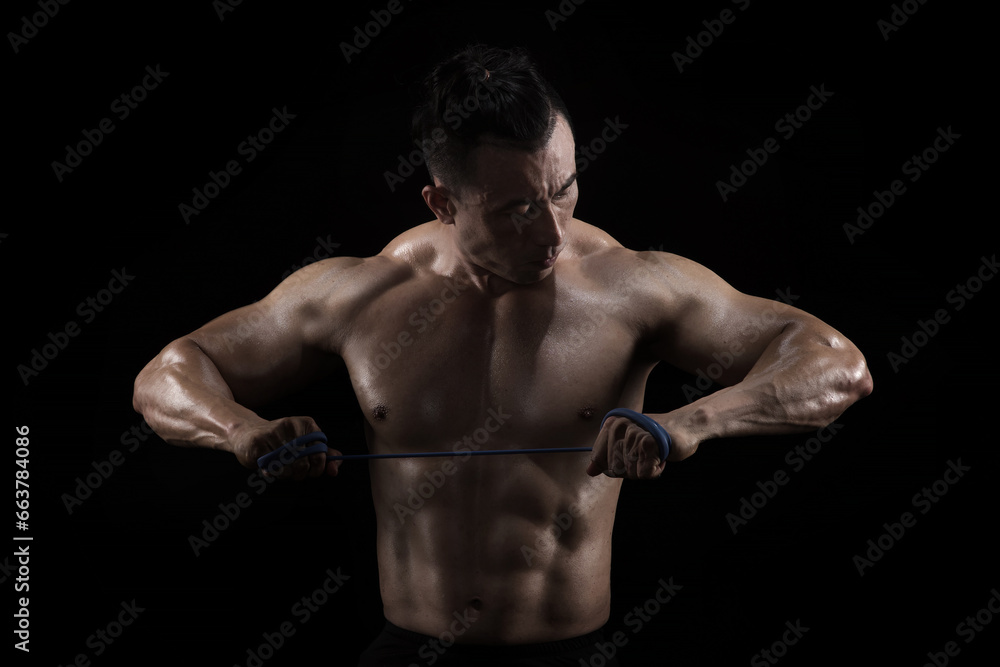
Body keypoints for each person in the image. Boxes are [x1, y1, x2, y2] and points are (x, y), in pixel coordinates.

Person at [132, 44, 873, 666]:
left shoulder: (633, 287)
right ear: (442, 203)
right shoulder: (361, 295)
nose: (552, 233)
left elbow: (835, 363)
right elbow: (169, 372)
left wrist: (696, 421)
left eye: (564, 188)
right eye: (517, 208)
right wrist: (239, 431)